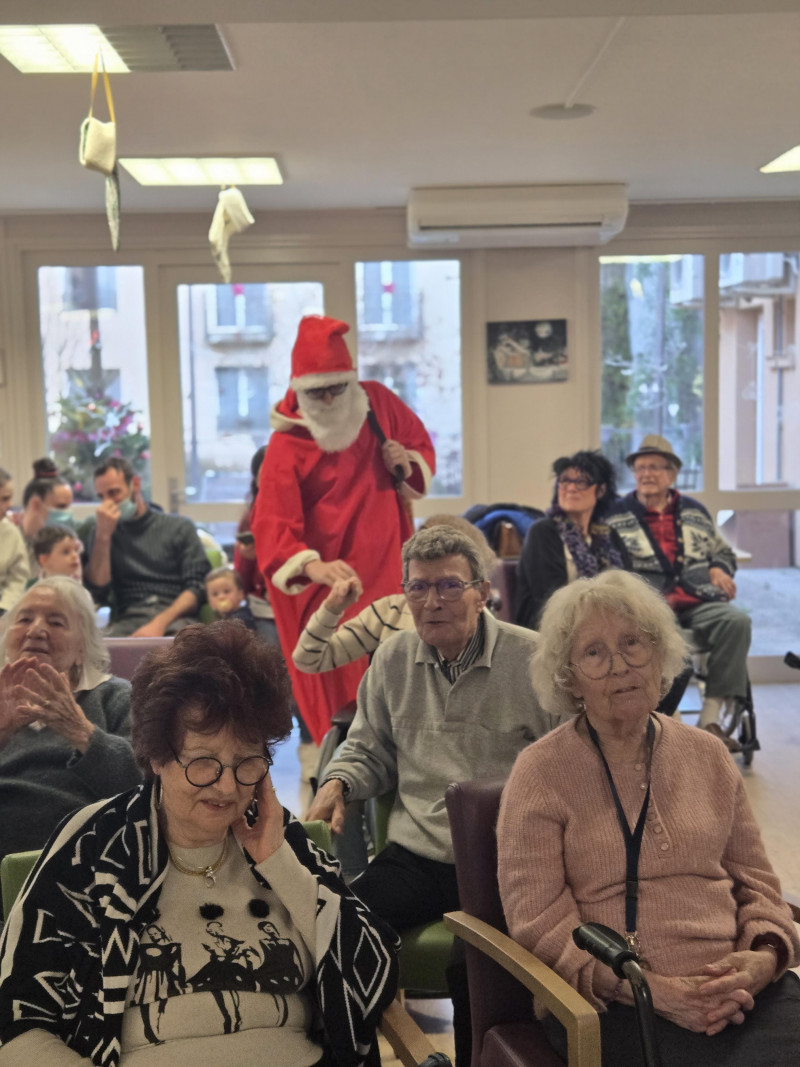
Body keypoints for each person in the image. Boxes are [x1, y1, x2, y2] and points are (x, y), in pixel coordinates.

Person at [0, 622, 399, 1066]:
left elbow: (374, 977)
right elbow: (18, 1023)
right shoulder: (93, 846)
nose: (227, 787)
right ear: (156, 755)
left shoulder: (281, 838)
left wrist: (277, 862)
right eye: (204, 762)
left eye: (247, 761)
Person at [497, 569, 800, 1067]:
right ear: (568, 678)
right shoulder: (540, 772)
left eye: (633, 643)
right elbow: (537, 922)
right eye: (594, 653)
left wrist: (763, 961)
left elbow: (758, 884)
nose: (619, 665)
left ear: (660, 655)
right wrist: (652, 990)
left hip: (740, 992)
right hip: (612, 999)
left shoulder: (708, 754)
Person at [308, 526, 558, 1067]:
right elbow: (368, 747)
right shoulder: (392, 660)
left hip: (504, 857)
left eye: (448, 586)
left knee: (478, 964)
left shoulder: (532, 660)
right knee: (334, 930)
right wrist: (338, 781)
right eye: (418, 588)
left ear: (481, 592)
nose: (431, 601)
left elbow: (568, 765)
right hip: (418, 852)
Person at [252, 314, 436, 746]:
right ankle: (341, 775)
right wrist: (313, 568)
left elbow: (420, 448)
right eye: (319, 391)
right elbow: (272, 525)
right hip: (332, 584)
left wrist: (404, 462)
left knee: (402, 674)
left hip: (389, 568)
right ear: (301, 390)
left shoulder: (378, 404)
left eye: (339, 387)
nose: (331, 399)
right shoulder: (286, 445)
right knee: (338, 686)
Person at [607, 435, 751, 750]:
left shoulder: (695, 511)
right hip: (649, 605)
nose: (646, 474)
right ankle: (668, 724)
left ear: (672, 475)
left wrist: (720, 567)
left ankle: (710, 720)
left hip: (699, 598)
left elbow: (722, 551)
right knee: (671, 643)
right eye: (640, 467)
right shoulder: (616, 516)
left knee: (736, 622)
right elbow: (610, 569)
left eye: (655, 467)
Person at [0, 576, 141, 862]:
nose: (36, 631)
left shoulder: (115, 696)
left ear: (81, 650)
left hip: (83, 853)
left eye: (55, 622)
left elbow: (145, 790)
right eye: (25, 619)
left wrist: (81, 731)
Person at [292, 514, 497, 674]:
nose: (432, 602)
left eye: (450, 585)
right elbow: (308, 660)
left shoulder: (486, 629)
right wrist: (332, 609)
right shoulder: (389, 612)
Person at [84, 456, 211, 636]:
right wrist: (103, 538)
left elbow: (197, 588)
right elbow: (98, 591)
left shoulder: (179, 528)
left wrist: (158, 624)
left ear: (135, 484)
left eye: (114, 493)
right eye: (101, 497)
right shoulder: (102, 533)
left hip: (176, 618)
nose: (108, 503)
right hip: (129, 621)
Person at [514, 449, 628, 629]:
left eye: (581, 482)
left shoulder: (609, 535)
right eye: (565, 481)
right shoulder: (543, 532)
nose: (571, 488)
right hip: (552, 628)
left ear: (601, 490)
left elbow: (630, 585)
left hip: (606, 624)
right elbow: (550, 597)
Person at [233, 445, 278, 644]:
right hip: (264, 608)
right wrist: (248, 556)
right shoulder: (251, 518)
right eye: (264, 477)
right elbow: (242, 582)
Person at [11, 458, 75, 572]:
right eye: (61, 507)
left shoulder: (66, 542)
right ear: (35, 504)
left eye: (69, 506)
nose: (68, 513)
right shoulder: (8, 538)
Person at [0, 468, 29, 613]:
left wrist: (4, 609)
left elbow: (18, 577)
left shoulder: (10, 533)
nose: (10, 505)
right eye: (4, 499)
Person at [205, 566, 257, 630]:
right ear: (210, 602)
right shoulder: (219, 619)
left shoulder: (242, 617)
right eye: (215, 594)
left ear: (240, 594)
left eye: (226, 591)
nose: (221, 597)